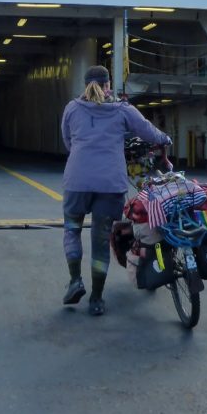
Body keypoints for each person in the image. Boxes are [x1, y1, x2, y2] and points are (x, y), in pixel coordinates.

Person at [60, 64, 171, 316]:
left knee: (72, 230)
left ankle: (75, 281)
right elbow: (147, 130)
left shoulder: (72, 108)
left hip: (77, 181)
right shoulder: (122, 110)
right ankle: (97, 299)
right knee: (100, 240)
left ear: (85, 85)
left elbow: (68, 141)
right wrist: (165, 139)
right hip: (110, 184)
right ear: (108, 85)